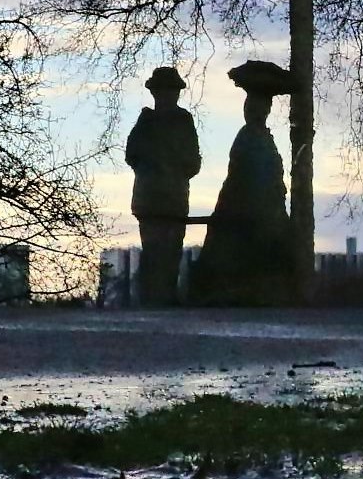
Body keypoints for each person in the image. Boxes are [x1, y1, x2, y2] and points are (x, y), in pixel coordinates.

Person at [194, 60, 295, 305]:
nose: (258, 111)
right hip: (247, 207)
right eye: (255, 107)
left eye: (262, 107)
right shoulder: (249, 136)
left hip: (258, 206)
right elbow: (249, 174)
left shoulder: (259, 136)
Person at [125, 67, 200, 306]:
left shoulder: (178, 121)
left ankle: (161, 297)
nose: (168, 96)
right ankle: (156, 298)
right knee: (158, 252)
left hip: (167, 200)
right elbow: (132, 155)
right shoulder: (150, 121)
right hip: (157, 200)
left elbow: (192, 162)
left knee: (166, 252)